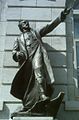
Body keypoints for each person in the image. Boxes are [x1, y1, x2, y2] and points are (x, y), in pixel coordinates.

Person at [10, 8, 70, 115]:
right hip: (26, 63)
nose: (26, 23)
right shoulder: (18, 39)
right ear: (20, 26)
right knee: (28, 84)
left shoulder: (36, 33)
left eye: (26, 22)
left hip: (36, 55)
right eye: (24, 23)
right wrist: (17, 54)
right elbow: (14, 51)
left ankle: (43, 95)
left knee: (40, 73)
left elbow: (48, 27)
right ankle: (29, 104)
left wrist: (60, 17)